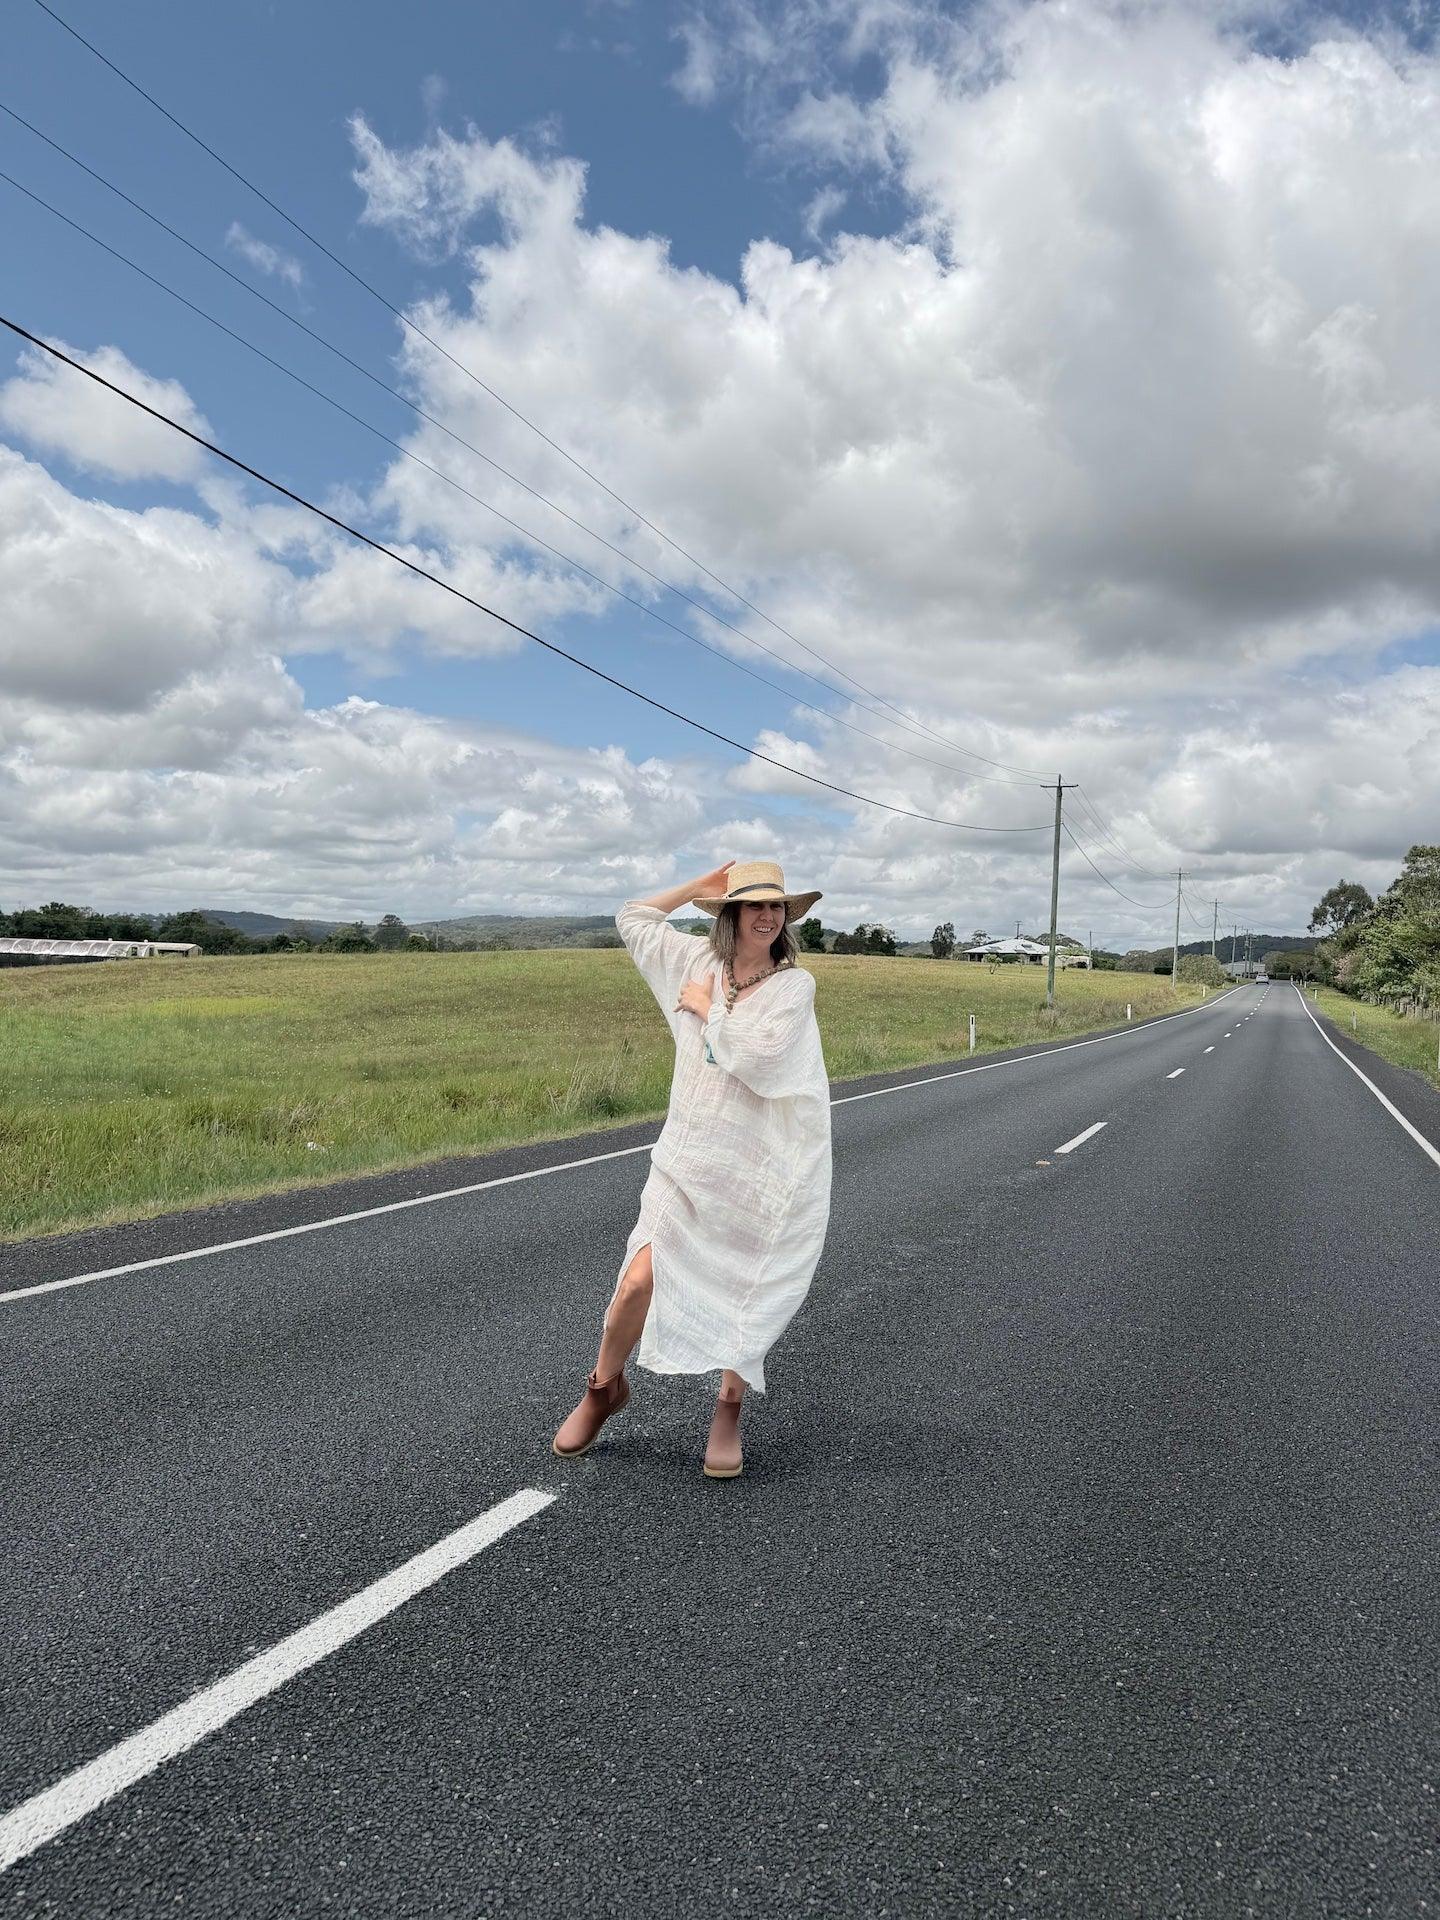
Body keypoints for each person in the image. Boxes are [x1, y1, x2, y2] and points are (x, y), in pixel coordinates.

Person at [551, 859, 832, 1479]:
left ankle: (728, 1408)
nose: (767, 915)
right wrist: (699, 887)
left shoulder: (794, 987)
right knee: (637, 1281)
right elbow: (633, 919)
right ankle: (603, 1387)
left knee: (745, 1291)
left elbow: (761, 1058)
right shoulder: (693, 961)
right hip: (686, 1158)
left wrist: (708, 1011)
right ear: (730, 915)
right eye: (753, 904)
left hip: (755, 1170)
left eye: (776, 906)